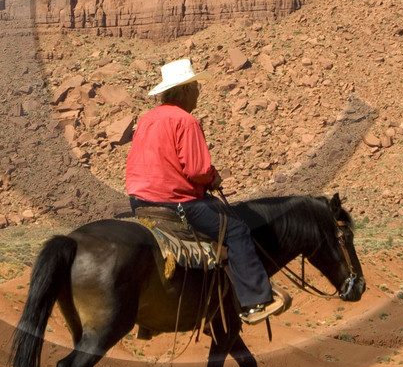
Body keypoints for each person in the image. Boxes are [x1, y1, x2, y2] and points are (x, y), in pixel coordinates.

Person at [124, 58, 290, 324]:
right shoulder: (186, 121)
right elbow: (197, 171)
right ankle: (254, 301)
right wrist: (213, 178)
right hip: (175, 203)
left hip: (140, 202)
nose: (199, 92)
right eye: (196, 86)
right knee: (236, 230)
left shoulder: (147, 120)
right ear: (185, 91)